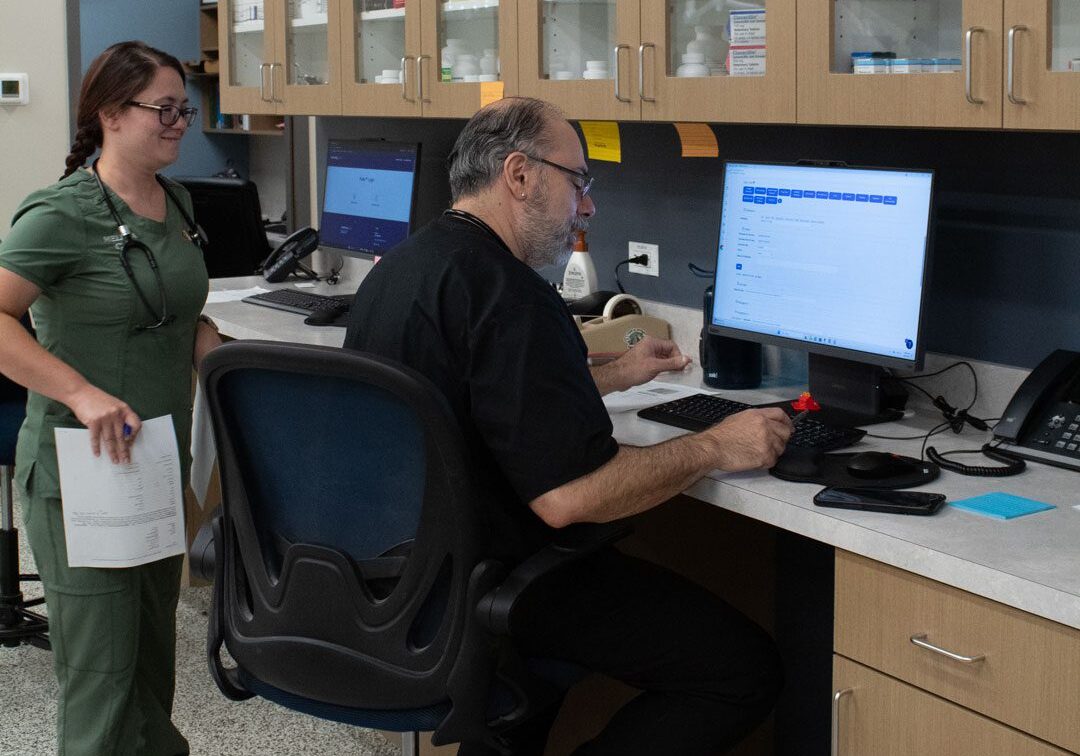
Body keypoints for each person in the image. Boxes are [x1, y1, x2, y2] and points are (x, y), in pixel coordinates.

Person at [344, 96, 792, 755]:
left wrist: (611, 375)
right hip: (495, 580)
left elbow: (468, 398)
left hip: (402, 578)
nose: (588, 206)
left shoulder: (403, 269)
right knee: (741, 671)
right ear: (520, 175)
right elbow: (570, 497)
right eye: (579, 182)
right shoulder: (512, 294)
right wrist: (716, 445)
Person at [0, 41, 221, 755]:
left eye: (184, 108)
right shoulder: (63, 214)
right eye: (164, 108)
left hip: (151, 467)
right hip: (80, 475)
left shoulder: (177, 201)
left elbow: (177, 306)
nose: (179, 122)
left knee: (152, 666)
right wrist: (82, 393)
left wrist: (208, 342)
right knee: (101, 675)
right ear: (109, 114)